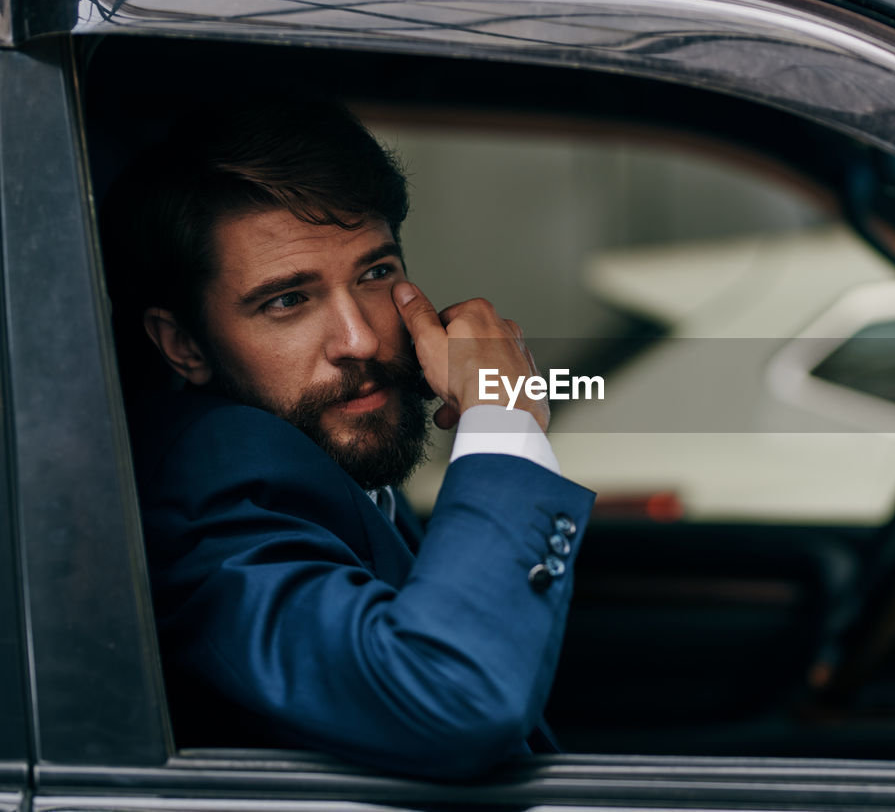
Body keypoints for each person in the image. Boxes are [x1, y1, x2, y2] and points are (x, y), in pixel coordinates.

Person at [102, 101, 595, 780]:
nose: (360, 340)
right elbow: (450, 695)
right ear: (184, 345)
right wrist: (502, 414)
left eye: (374, 274)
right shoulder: (206, 484)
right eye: (286, 301)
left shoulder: (320, 454)